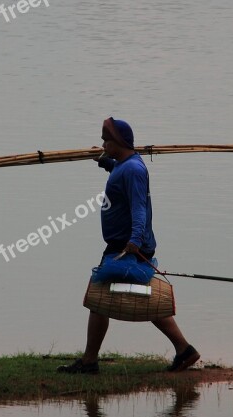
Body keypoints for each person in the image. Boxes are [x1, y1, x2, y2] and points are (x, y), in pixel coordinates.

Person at [58, 117, 200, 374]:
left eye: (105, 140)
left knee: (98, 295)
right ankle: (184, 350)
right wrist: (103, 161)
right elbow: (118, 172)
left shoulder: (134, 169)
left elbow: (139, 208)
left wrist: (134, 241)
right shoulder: (125, 165)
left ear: (118, 142)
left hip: (127, 246)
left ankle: (90, 361)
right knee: (131, 298)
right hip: (122, 243)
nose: (102, 143)